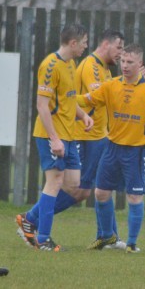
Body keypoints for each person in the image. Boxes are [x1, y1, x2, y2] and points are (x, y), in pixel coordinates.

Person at [77, 43, 145, 253]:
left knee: (134, 197)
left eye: (130, 62)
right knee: (100, 193)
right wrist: (65, 97)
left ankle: (132, 244)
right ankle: (108, 237)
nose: (125, 66)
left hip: (137, 151)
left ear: (140, 64)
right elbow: (88, 100)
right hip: (112, 148)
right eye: (123, 61)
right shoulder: (110, 85)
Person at [16, 23, 93, 251]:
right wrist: (54, 139)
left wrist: (82, 115)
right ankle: (43, 239)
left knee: (74, 185)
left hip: (69, 135)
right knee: (55, 181)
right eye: (84, 42)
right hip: (52, 135)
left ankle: (30, 218)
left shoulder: (71, 63)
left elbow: (68, 99)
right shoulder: (50, 65)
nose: (86, 46)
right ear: (73, 43)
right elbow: (42, 105)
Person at [74, 29, 126, 250]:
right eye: (119, 48)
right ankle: (32, 218)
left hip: (100, 135)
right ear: (106, 45)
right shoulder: (91, 66)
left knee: (103, 186)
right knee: (82, 190)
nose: (121, 54)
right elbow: (104, 97)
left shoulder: (104, 69)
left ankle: (109, 236)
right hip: (87, 135)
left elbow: (110, 95)